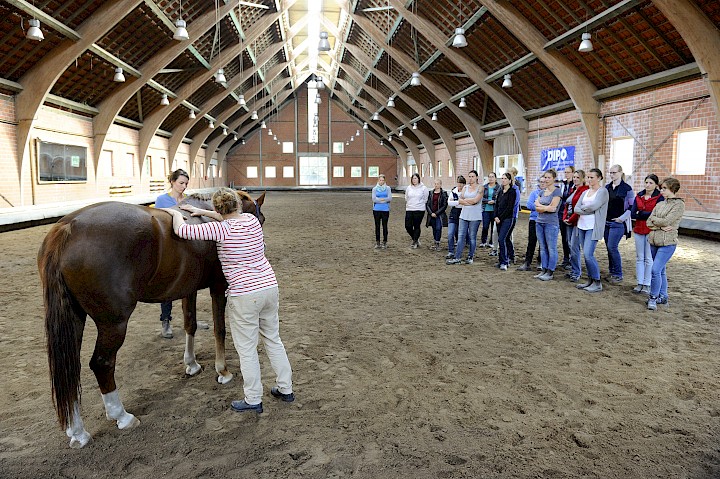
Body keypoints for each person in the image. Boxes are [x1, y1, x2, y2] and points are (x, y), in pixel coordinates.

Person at [163, 188, 294, 413]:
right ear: (239, 206)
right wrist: (197, 209)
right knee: (273, 339)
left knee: (247, 349)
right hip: (269, 287)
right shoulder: (252, 222)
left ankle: (253, 399)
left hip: (244, 294)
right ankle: (285, 388)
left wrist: (175, 214)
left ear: (216, 209)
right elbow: (229, 218)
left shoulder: (219, 229)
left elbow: (182, 230)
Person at [154, 169, 208, 337]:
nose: (184, 187)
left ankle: (191, 319)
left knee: (191, 285)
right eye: (181, 183)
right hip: (168, 248)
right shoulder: (162, 200)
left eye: (186, 184)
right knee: (167, 287)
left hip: (186, 247)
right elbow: (158, 222)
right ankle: (166, 321)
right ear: (172, 182)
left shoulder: (187, 200)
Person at [646, 178, 684, 310]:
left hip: (668, 242)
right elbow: (649, 222)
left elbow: (668, 220)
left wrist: (657, 223)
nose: (661, 191)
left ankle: (653, 297)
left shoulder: (679, 205)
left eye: (664, 189)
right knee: (661, 270)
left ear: (672, 190)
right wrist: (660, 226)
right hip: (654, 240)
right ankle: (663, 295)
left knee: (655, 270)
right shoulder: (660, 204)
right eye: (661, 188)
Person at [574, 168, 609, 293]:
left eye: (592, 177)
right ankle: (590, 280)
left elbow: (595, 206)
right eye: (588, 177)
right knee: (585, 254)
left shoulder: (602, 191)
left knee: (588, 254)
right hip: (582, 225)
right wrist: (586, 209)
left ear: (599, 178)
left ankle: (597, 281)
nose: (589, 179)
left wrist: (583, 209)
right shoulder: (585, 192)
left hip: (593, 226)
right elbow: (576, 208)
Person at [630, 174, 663, 294]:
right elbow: (633, 214)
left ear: (655, 185)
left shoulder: (659, 197)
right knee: (639, 257)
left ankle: (647, 283)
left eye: (651, 183)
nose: (648, 185)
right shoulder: (639, 195)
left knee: (649, 258)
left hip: (651, 230)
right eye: (646, 182)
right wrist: (646, 213)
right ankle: (639, 282)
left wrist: (641, 213)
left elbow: (656, 214)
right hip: (639, 229)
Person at [604, 164, 635, 284]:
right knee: (609, 248)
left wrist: (621, 219)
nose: (612, 175)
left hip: (617, 223)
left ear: (621, 173)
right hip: (607, 221)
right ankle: (612, 271)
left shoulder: (627, 189)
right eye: (610, 173)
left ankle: (618, 274)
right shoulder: (607, 187)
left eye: (614, 173)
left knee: (612, 247)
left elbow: (632, 207)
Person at [446, 170, 484, 265]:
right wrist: (468, 202)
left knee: (472, 237)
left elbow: (476, 200)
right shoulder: (465, 187)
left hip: (475, 216)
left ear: (476, 177)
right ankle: (457, 257)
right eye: (469, 176)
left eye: (472, 176)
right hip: (463, 215)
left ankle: (470, 256)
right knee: (461, 236)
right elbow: (460, 200)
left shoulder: (480, 188)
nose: (471, 178)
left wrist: (465, 201)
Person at [534, 169, 563, 281]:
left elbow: (553, 208)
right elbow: (536, 207)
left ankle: (550, 271)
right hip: (540, 222)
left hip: (551, 223)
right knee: (543, 248)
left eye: (548, 178)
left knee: (551, 248)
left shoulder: (557, 192)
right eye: (545, 177)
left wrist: (542, 207)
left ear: (553, 179)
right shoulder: (542, 192)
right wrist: (546, 208)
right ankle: (544, 269)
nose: (546, 180)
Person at [562, 169, 589, 282]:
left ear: (582, 179)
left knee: (574, 247)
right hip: (569, 221)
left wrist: (571, 218)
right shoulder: (573, 189)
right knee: (571, 245)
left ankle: (576, 272)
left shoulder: (584, 190)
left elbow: (580, 208)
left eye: (578, 177)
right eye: (574, 177)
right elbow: (567, 205)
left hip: (577, 222)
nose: (575, 179)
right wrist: (565, 217)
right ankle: (574, 270)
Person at [517, 177, 544, 271]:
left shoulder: (549, 193)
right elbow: (529, 205)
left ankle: (540, 262)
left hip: (544, 220)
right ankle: (527, 262)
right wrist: (542, 208)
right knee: (531, 242)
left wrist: (537, 206)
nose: (542, 183)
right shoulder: (534, 193)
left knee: (542, 243)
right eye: (541, 182)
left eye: (544, 182)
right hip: (534, 219)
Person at [493, 172, 517, 271]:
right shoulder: (500, 191)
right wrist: (495, 216)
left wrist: (500, 218)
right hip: (498, 218)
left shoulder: (512, 192)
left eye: (505, 178)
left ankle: (504, 261)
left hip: (507, 219)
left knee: (501, 239)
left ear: (510, 180)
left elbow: (509, 207)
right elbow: (496, 205)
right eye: (502, 178)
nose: (503, 180)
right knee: (502, 238)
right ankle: (501, 260)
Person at [558, 166, 576, 269]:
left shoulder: (574, 186)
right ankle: (566, 258)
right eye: (565, 172)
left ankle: (571, 259)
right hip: (562, 213)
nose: (566, 174)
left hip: (570, 213)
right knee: (564, 238)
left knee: (570, 239)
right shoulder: (563, 184)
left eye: (568, 172)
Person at [405, 173, 428, 249]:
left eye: (415, 178)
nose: (414, 180)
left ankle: (414, 241)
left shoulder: (423, 188)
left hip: (419, 209)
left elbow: (425, 198)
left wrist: (419, 204)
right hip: (409, 208)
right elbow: (406, 197)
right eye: (413, 178)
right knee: (408, 226)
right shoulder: (409, 188)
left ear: (418, 179)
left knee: (416, 225)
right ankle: (415, 238)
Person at [445, 176, 466, 259]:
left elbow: (465, 202)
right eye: (458, 183)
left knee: (460, 234)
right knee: (450, 233)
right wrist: (458, 202)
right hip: (454, 214)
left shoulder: (466, 191)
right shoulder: (454, 191)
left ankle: (458, 251)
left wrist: (456, 202)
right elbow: (449, 202)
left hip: (463, 213)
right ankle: (451, 251)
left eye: (461, 183)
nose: (460, 185)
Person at [425, 179, 448, 251]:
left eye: (437, 184)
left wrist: (437, 213)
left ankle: (438, 242)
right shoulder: (430, 193)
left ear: (440, 185)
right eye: (435, 184)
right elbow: (427, 204)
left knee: (438, 228)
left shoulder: (444, 193)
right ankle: (435, 242)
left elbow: (444, 205)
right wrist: (431, 213)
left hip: (439, 214)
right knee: (434, 228)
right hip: (431, 214)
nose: (436, 185)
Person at [372, 174, 392, 249]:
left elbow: (389, 198)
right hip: (376, 209)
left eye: (383, 180)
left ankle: (385, 241)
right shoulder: (374, 189)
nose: (381, 182)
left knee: (385, 226)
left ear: (385, 181)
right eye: (380, 180)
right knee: (377, 226)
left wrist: (379, 200)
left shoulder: (388, 188)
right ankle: (377, 242)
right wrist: (384, 200)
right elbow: (374, 199)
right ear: (378, 180)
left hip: (385, 209)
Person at [480, 172, 498, 248]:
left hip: (494, 210)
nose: (491, 178)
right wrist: (488, 201)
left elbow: (500, 198)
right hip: (486, 209)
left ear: (495, 178)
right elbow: (481, 198)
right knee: (485, 226)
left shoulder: (499, 188)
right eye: (489, 177)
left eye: (492, 177)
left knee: (493, 227)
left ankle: (491, 242)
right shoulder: (484, 187)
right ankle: (483, 241)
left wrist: (494, 201)